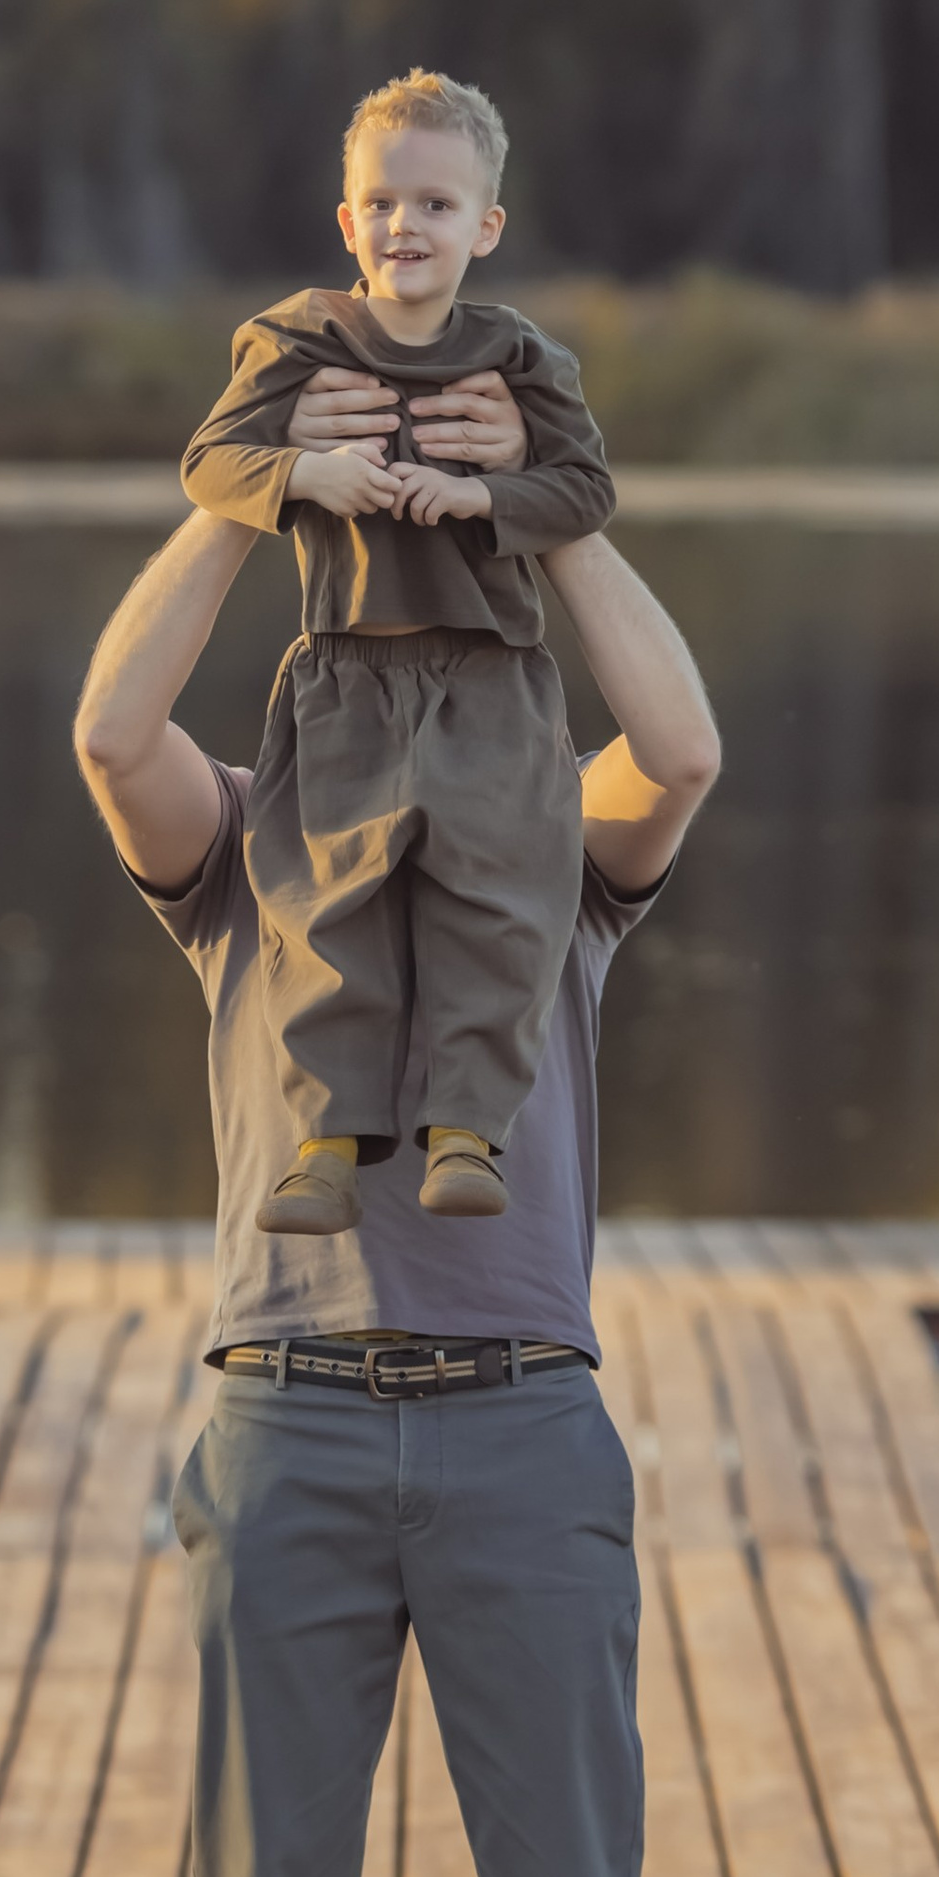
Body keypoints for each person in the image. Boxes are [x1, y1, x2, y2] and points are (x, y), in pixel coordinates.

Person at [72, 364, 721, 1877]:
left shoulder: (564, 881)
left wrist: (532, 507)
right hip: (288, 1431)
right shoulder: (245, 855)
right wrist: (265, 489)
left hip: (525, 1436)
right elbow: (106, 731)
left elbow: (683, 749)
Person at [180, 71, 615, 1234]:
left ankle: (467, 1133)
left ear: (485, 226)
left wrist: (480, 495)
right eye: (379, 203)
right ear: (345, 221)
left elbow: (586, 490)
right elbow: (209, 462)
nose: (402, 227)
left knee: (500, 897)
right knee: (325, 899)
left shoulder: (521, 359)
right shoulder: (295, 339)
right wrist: (301, 475)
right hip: (344, 672)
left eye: (433, 205)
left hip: (493, 677)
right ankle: (323, 1142)